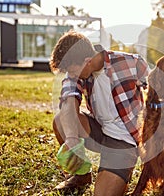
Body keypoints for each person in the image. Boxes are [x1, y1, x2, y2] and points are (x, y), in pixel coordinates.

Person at [49, 30, 149, 195]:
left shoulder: (130, 63)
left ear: (88, 61)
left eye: (73, 72)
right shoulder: (77, 68)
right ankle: (81, 175)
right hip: (100, 130)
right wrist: (72, 138)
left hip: (125, 141)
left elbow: (158, 87)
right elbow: (68, 102)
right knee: (61, 121)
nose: (72, 76)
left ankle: (123, 169)